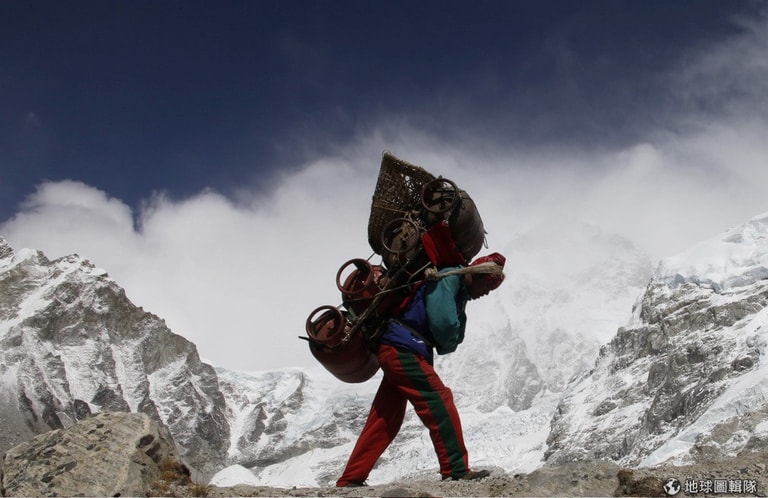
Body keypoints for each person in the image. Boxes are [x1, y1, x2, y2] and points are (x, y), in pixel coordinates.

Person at [336, 252, 506, 487]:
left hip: (397, 347)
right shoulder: (449, 279)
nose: (486, 293)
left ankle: (351, 478)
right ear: (478, 276)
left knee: (385, 417)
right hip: (404, 349)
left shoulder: (457, 288)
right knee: (439, 401)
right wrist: (450, 340)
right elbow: (443, 323)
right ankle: (456, 469)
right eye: (487, 286)